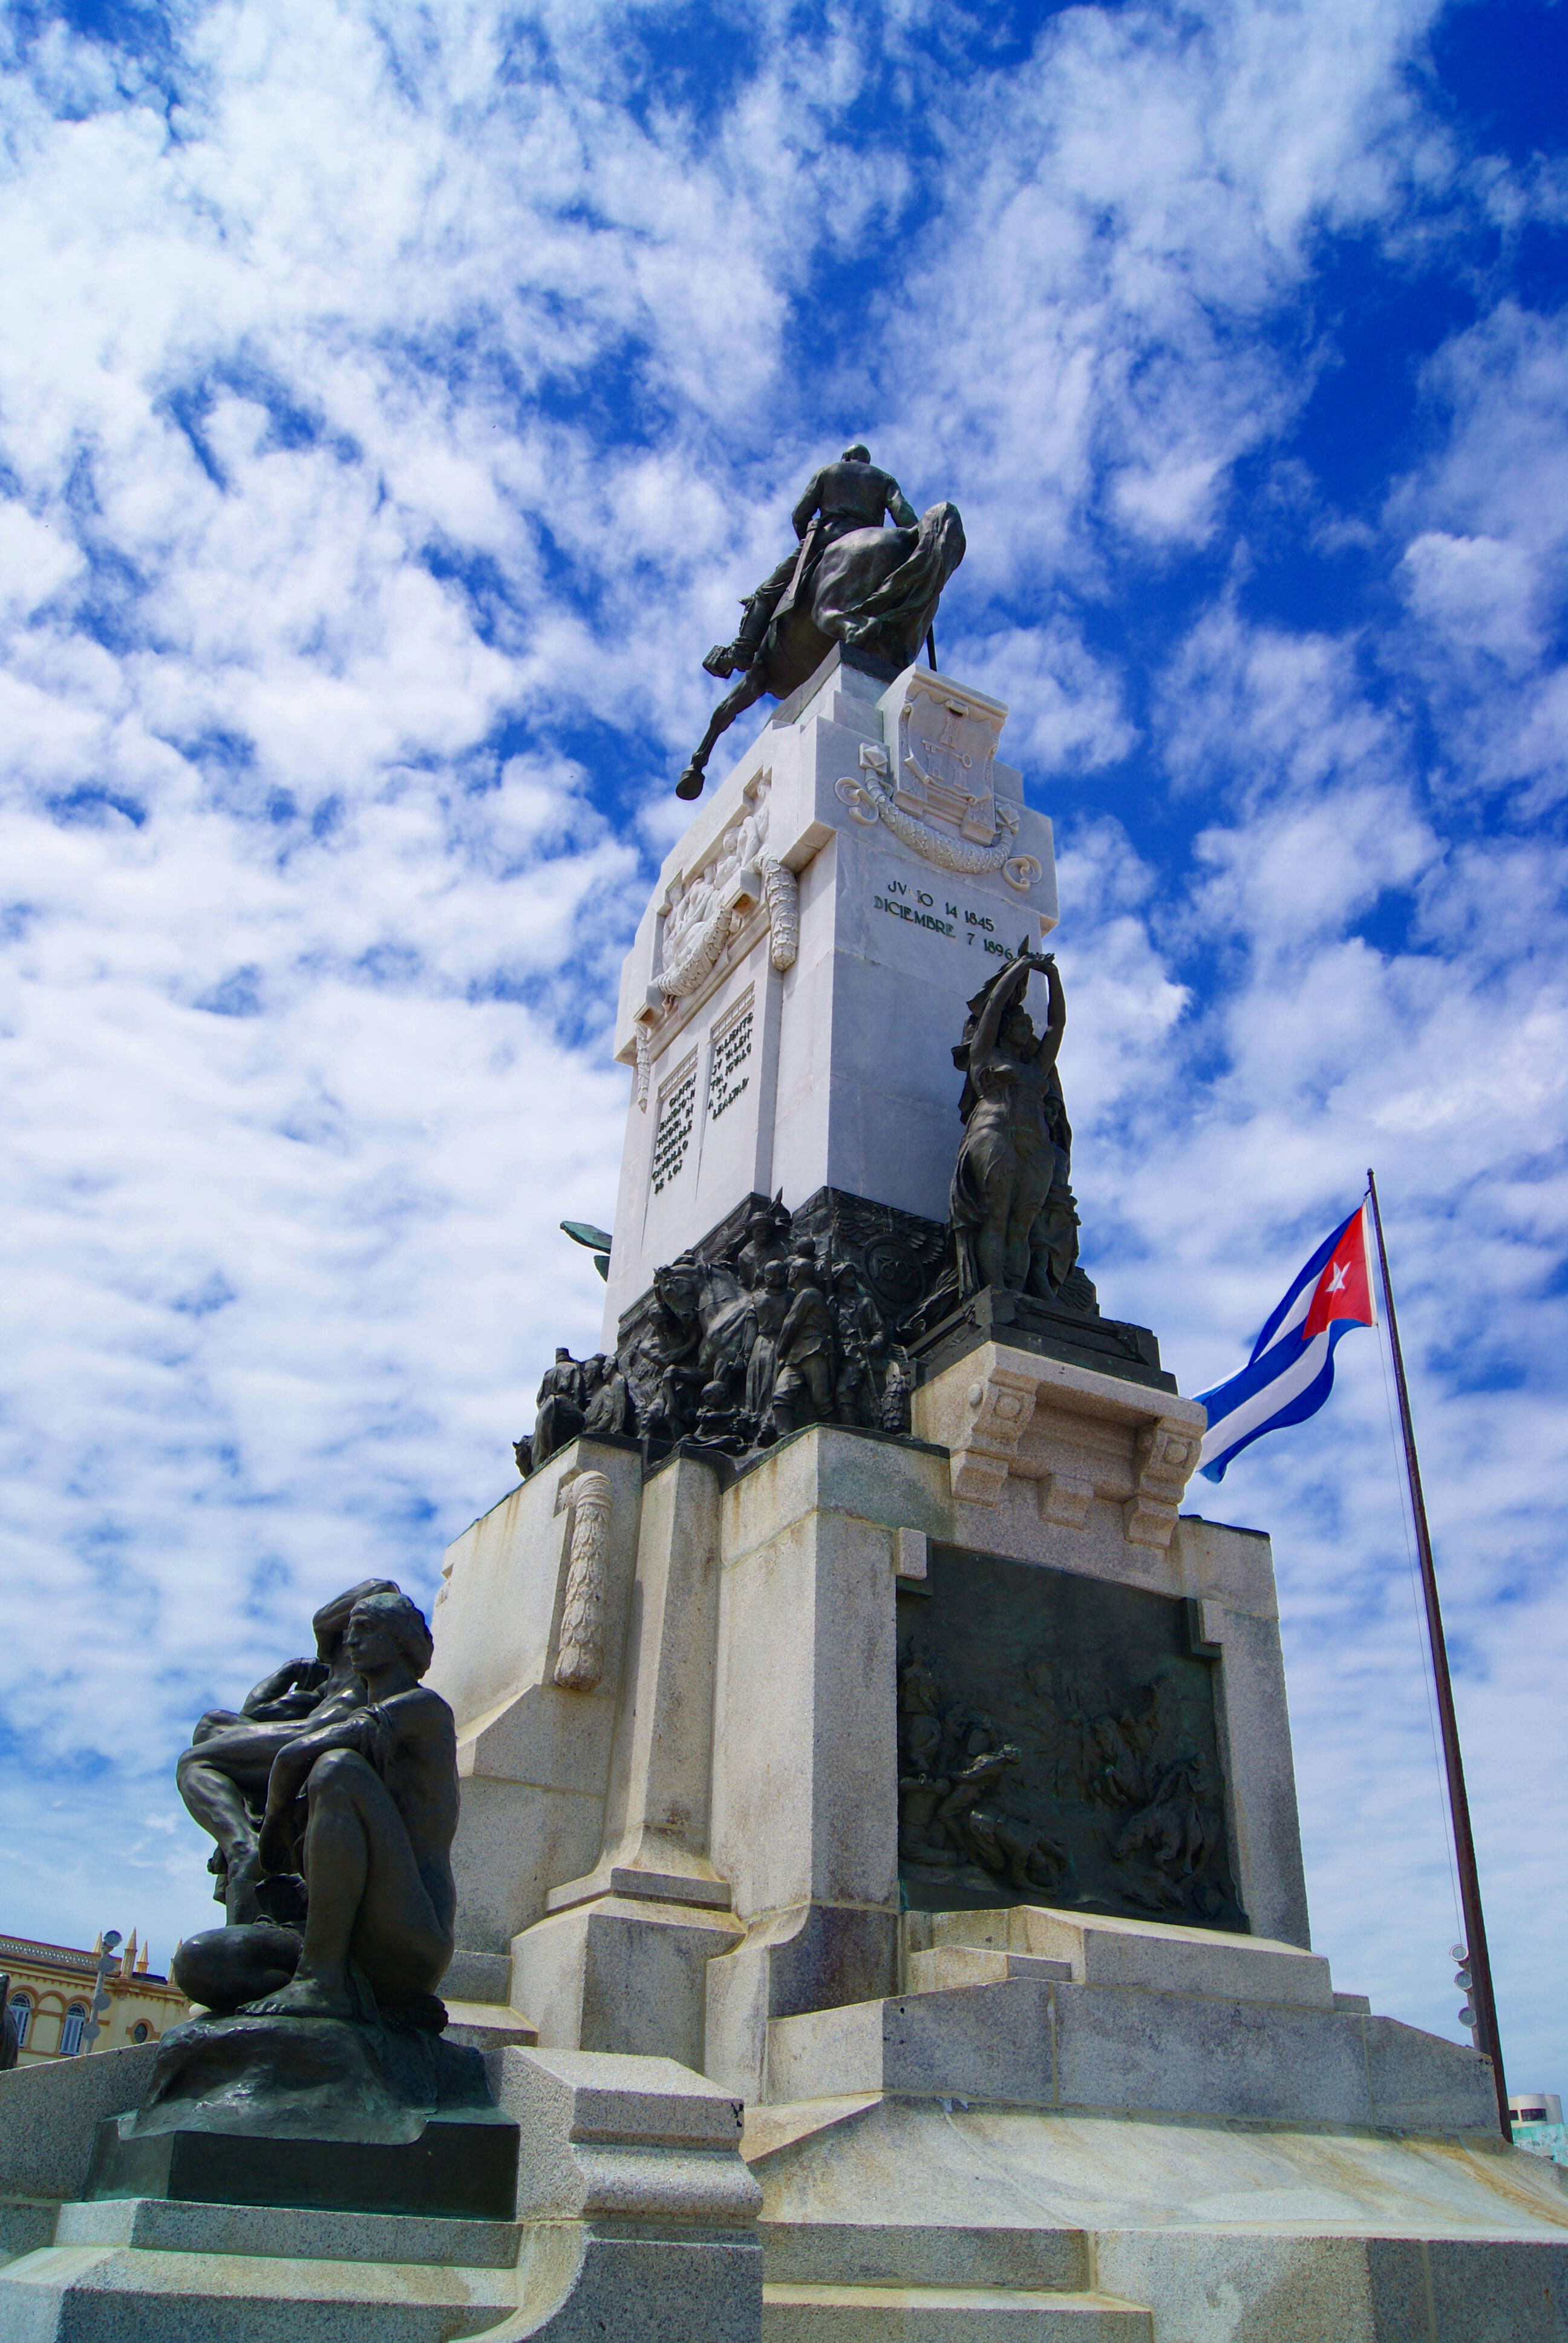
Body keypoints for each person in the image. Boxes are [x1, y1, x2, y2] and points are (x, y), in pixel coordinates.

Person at [243, 1590, 457, 2022]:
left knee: (336, 1770)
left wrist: (271, 1834)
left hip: (411, 1939)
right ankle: (321, 1976)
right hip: (355, 1938)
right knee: (202, 1964)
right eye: (349, 1631)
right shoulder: (365, 1713)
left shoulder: (424, 1710)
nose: (350, 1642)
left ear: (399, 1641)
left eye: (364, 1629)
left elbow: (291, 1758)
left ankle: (320, 1981)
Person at [177, 1578, 399, 1924]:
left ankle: (241, 1848)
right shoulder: (324, 1682)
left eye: (359, 1629)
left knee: (195, 1761)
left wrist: (331, 1634)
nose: (352, 1640)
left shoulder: (360, 1659)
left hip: (325, 1728)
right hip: (311, 1723)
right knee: (210, 1724)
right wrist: (292, 1669)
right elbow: (256, 1712)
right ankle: (244, 1833)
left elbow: (374, 1591)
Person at [704, 446, 918, 680]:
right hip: (873, 543)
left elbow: (799, 515)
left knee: (765, 593)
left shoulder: (828, 472)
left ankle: (743, 650)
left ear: (845, 458)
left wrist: (806, 542)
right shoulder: (885, 480)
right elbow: (904, 514)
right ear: (867, 462)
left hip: (825, 540)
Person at [949, 951, 1069, 1299]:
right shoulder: (986, 1055)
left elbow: (1056, 1026)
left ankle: (1021, 1299)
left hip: (1036, 1144)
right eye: (1020, 1023)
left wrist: (1053, 977)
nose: (1027, 1027)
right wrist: (1020, 968)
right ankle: (996, 1293)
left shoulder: (1038, 1064)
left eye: (1028, 1024)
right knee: (996, 1217)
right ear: (1005, 1028)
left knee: (1022, 1226)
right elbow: (994, 1008)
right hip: (994, 1131)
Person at [768, 1251, 835, 1436]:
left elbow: (791, 1324)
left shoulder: (809, 1295)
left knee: (822, 1401)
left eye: (790, 1271)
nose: (788, 1274)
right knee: (781, 1396)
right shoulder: (803, 1295)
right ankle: (784, 1439)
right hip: (797, 1353)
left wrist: (779, 1352)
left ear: (795, 1274)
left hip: (814, 1349)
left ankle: (839, 1434)